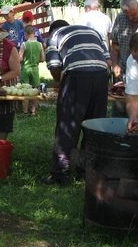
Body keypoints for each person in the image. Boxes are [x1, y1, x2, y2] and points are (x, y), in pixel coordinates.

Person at [43, 20, 111, 186]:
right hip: (102, 77)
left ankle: (60, 174)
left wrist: (58, 81)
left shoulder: (55, 35)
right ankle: (86, 172)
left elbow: (54, 66)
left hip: (77, 77)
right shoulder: (92, 31)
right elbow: (108, 61)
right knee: (93, 126)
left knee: (67, 127)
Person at [109, 0, 138, 117]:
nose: (130, 18)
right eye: (128, 16)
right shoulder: (121, 18)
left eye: (133, 14)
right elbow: (114, 45)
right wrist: (115, 63)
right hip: (124, 72)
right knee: (119, 110)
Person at [19, 25, 45, 116]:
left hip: (25, 70)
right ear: (34, 33)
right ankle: (33, 111)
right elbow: (42, 59)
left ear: (25, 34)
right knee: (36, 91)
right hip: (35, 70)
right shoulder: (40, 44)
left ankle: (25, 111)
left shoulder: (24, 44)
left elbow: (20, 58)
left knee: (25, 92)